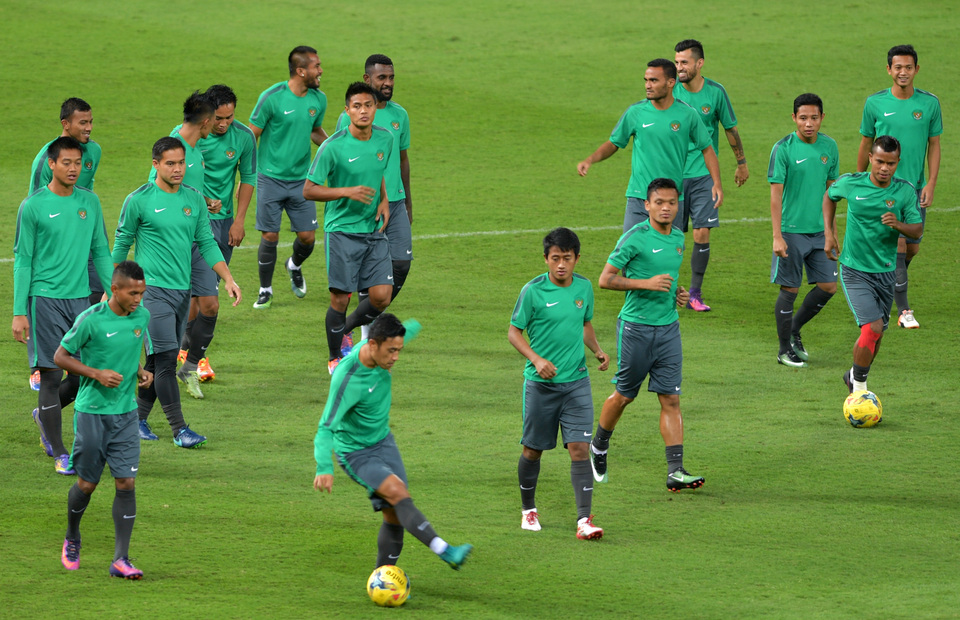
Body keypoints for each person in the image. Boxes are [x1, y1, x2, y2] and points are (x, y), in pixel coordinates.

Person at [313, 313, 473, 570]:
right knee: (398, 494)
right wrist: (324, 467)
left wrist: (416, 324)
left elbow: (403, 333)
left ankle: (383, 576)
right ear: (372, 344)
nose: (396, 357)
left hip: (384, 443)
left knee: (394, 513)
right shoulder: (347, 377)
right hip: (356, 452)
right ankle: (445, 550)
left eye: (399, 349)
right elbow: (325, 427)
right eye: (391, 351)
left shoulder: (383, 349)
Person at [112, 137, 242, 448]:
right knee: (168, 358)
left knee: (158, 362)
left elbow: (207, 244)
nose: (178, 169)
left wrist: (228, 278)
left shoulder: (194, 200)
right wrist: (111, 290)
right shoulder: (139, 200)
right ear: (155, 164)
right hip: (150, 293)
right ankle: (180, 430)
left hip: (181, 292)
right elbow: (120, 246)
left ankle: (137, 421)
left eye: (181, 163)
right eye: (170, 163)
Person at [590, 178, 704, 493]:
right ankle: (599, 444)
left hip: (668, 328)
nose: (666, 208)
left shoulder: (679, 238)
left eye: (671, 202)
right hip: (636, 329)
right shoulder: (635, 238)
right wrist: (645, 283)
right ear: (647, 205)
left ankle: (676, 470)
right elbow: (605, 279)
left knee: (670, 398)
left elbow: (670, 280)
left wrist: (678, 294)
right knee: (625, 395)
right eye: (659, 203)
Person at [13, 136, 114, 474]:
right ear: (50, 165)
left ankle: (45, 415)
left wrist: (115, 290)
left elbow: (100, 250)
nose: (74, 169)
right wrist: (18, 312)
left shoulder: (90, 202)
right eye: (66, 163)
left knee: (88, 372)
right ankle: (59, 452)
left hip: (81, 301)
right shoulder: (33, 206)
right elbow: (23, 261)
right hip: (44, 302)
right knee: (52, 376)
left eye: (78, 163)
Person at [53, 261, 153, 579]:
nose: (138, 299)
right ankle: (72, 537)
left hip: (125, 414)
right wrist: (96, 373)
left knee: (126, 482)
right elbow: (60, 356)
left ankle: (120, 559)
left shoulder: (142, 317)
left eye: (142, 292)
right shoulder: (91, 321)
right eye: (133, 293)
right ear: (115, 289)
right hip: (92, 413)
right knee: (87, 484)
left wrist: (139, 371)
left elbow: (130, 343)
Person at [508, 227, 609, 539]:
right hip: (540, 387)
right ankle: (528, 510)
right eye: (555, 259)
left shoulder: (584, 289)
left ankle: (584, 520)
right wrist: (536, 360)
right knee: (533, 451)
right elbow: (514, 332)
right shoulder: (533, 291)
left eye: (567, 258)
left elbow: (585, 324)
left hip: (577, 383)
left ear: (577, 258)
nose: (561, 264)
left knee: (579, 448)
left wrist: (598, 351)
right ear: (546, 259)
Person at [304, 82, 393, 375]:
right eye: (357, 106)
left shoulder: (385, 139)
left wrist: (384, 200)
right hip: (342, 230)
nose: (363, 111)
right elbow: (309, 190)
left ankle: (345, 330)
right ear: (347, 111)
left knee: (381, 296)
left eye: (368, 105)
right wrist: (345, 192)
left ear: (375, 109)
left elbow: (377, 171)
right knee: (340, 298)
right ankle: (334, 357)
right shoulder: (333, 147)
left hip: (373, 229)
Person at [577, 58, 723, 234]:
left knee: (667, 257)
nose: (648, 85)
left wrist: (716, 183)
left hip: (671, 200)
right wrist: (590, 160)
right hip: (639, 196)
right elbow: (614, 143)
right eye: (646, 80)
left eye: (654, 80)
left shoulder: (687, 114)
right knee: (630, 254)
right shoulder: (636, 112)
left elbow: (707, 148)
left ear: (671, 82)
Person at [824, 136, 922, 394]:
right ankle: (859, 390)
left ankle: (853, 376)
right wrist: (828, 233)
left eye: (890, 163)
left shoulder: (904, 191)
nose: (884, 168)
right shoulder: (852, 183)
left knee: (876, 336)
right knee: (873, 327)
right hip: (855, 269)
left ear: (897, 162)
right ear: (870, 158)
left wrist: (898, 224)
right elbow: (829, 196)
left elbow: (917, 229)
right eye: (879, 161)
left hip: (886, 271)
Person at [857, 44, 941, 329]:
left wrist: (930, 182)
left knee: (912, 248)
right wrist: (859, 179)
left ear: (916, 69)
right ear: (888, 69)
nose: (902, 72)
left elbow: (934, 145)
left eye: (908, 67)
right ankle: (904, 310)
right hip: (885, 188)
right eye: (897, 67)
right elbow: (866, 142)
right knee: (900, 245)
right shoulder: (875, 103)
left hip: (915, 189)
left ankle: (883, 281)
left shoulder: (929, 104)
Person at [178, 84, 257, 386]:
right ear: (207, 117)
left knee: (204, 292)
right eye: (219, 118)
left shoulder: (244, 137)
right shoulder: (187, 139)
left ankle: (186, 353)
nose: (224, 124)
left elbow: (248, 176)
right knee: (200, 293)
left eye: (230, 117)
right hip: (194, 223)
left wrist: (239, 219)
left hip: (223, 222)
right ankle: (191, 356)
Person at [336, 54, 413, 343]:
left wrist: (407, 201)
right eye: (382, 78)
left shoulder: (399, 115)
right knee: (368, 270)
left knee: (401, 265)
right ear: (367, 80)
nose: (389, 83)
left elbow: (403, 160)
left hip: (394, 202)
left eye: (391, 77)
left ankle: (349, 325)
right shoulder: (349, 117)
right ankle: (368, 330)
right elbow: (340, 161)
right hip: (363, 205)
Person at [147, 91, 217, 398]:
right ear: (205, 121)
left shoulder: (196, 148)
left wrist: (203, 203)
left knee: (210, 305)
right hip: (172, 246)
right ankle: (151, 380)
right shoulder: (173, 149)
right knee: (171, 318)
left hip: (197, 238)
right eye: (214, 119)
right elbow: (155, 195)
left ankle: (189, 366)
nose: (217, 125)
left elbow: (185, 193)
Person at [249, 45, 328, 309]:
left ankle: (293, 264)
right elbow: (251, 137)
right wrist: (245, 177)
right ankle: (265, 289)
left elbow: (315, 130)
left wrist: (332, 149)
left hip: (301, 180)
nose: (321, 71)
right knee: (269, 236)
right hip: (270, 178)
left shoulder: (318, 99)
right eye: (316, 66)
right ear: (300, 70)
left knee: (308, 237)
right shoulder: (271, 97)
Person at [673, 39, 748, 311]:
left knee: (702, 232)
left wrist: (741, 163)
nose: (679, 68)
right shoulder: (670, 92)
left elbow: (730, 129)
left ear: (699, 63)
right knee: (671, 235)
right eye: (677, 62)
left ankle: (695, 293)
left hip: (705, 173)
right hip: (674, 174)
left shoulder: (716, 93)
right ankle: (669, 290)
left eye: (684, 63)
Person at [28, 97, 103, 358]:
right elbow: (37, 211)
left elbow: (86, 191)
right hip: (58, 240)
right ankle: (45, 351)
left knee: (99, 286)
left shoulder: (93, 151)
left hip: (86, 229)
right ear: (65, 124)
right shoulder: (45, 161)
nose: (89, 127)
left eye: (91, 121)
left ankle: (79, 338)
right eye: (83, 122)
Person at [768, 94, 840, 368]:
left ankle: (794, 329)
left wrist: (832, 232)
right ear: (794, 118)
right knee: (790, 289)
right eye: (803, 118)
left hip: (820, 232)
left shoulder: (829, 147)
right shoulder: (783, 148)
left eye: (814, 118)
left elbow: (831, 193)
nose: (808, 124)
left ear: (822, 118)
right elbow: (776, 196)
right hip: (791, 232)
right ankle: (784, 349)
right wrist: (777, 235)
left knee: (828, 286)